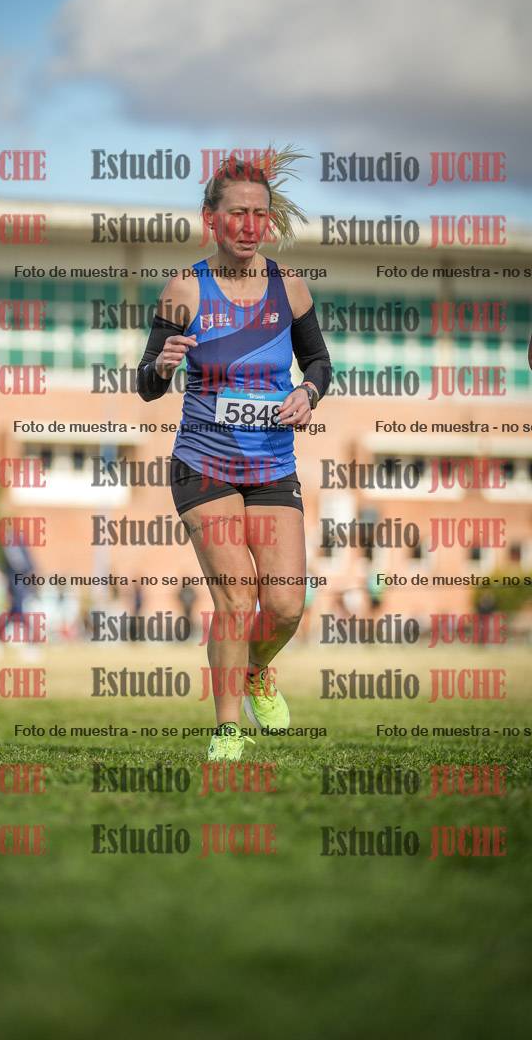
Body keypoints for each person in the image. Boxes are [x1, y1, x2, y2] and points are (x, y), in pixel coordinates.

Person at [136, 148, 332, 761]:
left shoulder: (288, 287)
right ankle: (227, 731)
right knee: (236, 595)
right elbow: (145, 383)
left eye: (259, 214)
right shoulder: (184, 289)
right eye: (237, 213)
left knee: (285, 605)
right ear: (211, 219)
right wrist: (162, 367)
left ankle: (255, 671)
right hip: (204, 464)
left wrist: (307, 392)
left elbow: (319, 363)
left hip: (272, 465)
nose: (249, 226)